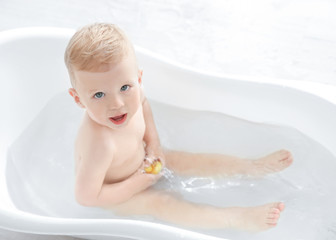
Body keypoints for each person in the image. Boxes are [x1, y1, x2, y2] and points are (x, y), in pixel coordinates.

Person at [64, 23, 293, 231]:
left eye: (125, 87)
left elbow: (142, 104)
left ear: (139, 78)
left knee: (187, 160)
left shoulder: (134, 97)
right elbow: (88, 197)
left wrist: (154, 146)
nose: (117, 103)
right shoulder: (100, 143)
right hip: (119, 195)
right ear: (78, 99)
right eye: (99, 94)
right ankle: (234, 219)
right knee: (161, 203)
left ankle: (250, 166)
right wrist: (138, 182)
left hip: (143, 163)